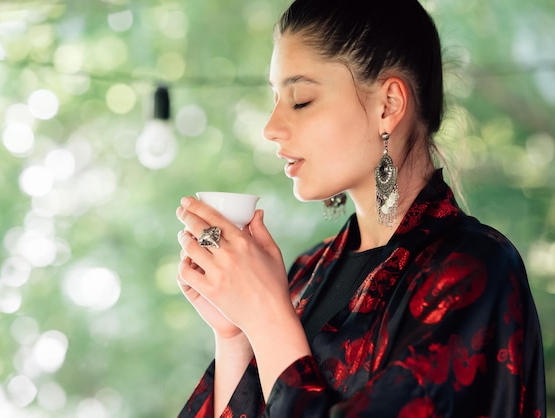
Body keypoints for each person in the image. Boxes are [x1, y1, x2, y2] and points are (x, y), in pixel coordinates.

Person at [175, 0, 547, 416]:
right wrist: (236, 334)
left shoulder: (471, 270)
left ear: (388, 105)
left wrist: (265, 317)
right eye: (275, 98)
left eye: (300, 100)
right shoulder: (301, 276)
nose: (271, 127)